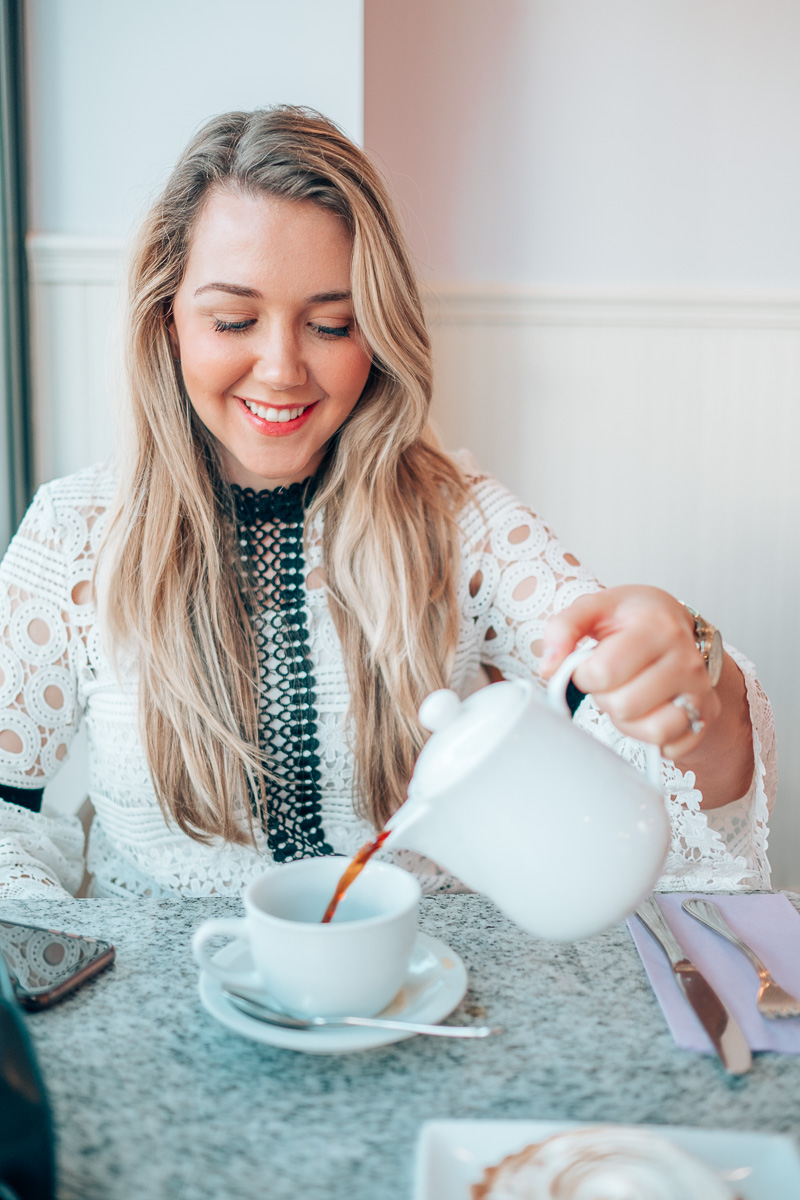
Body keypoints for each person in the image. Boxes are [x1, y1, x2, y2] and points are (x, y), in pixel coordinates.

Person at [0, 107, 775, 900]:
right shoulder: (72, 535)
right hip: (159, 1001)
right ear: (166, 321)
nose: (281, 369)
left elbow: (659, 768)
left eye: (332, 325)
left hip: (428, 990)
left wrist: (691, 669)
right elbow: (7, 816)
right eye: (233, 319)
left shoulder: (461, 519)